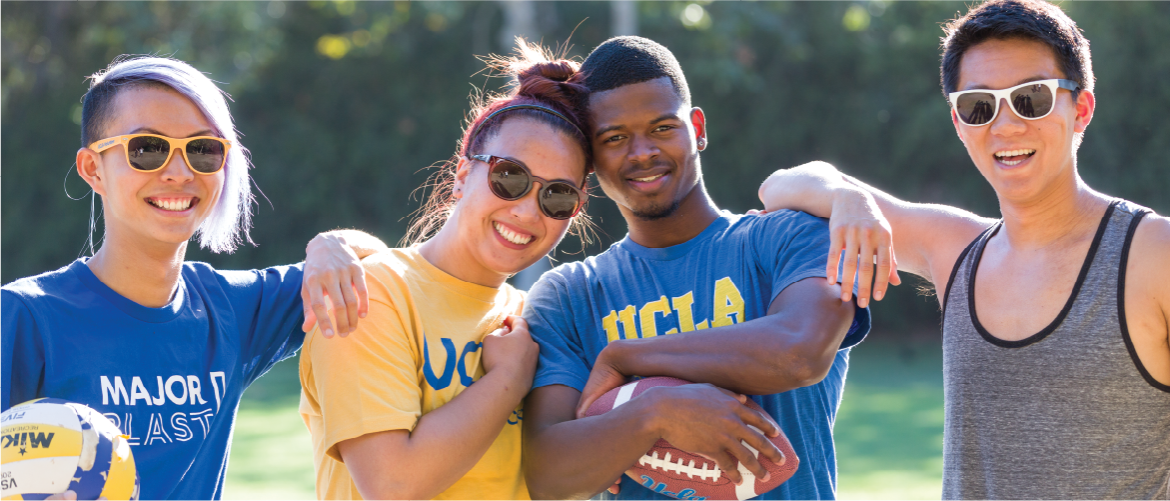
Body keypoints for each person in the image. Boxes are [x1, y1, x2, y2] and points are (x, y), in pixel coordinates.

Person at [758, 0, 1170, 498]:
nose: (1007, 125)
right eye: (979, 105)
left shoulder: (1153, 254)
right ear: (958, 122)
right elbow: (779, 185)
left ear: (1081, 108)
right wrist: (849, 198)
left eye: (1031, 98)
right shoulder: (955, 250)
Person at [0, 56, 385, 501]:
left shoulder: (235, 310)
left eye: (204, 149)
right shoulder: (25, 316)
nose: (180, 172)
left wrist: (329, 245)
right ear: (92, 169)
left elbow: (379, 263)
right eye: (147, 148)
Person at [521, 36, 870, 501]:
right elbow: (548, 475)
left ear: (698, 128)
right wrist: (656, 411)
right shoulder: (569, 295)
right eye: (614, 138)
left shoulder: (792, 237)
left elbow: (797, 353)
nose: (642, 152)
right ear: (590, 156)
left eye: (663, 128)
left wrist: (624, 358)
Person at [297, 42, 593, 501]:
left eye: (557, 196)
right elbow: (393, 483)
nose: (527, 211)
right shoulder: (371, 291)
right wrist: (508, 379)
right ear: (461, 175)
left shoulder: (536, 320)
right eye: (510, 177)